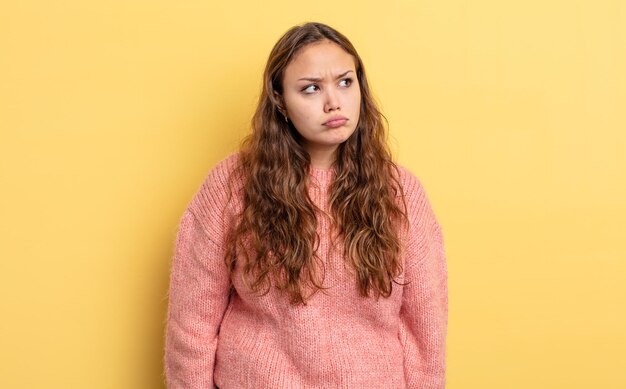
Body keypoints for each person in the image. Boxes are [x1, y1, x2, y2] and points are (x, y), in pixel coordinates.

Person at [164, 22, 448, 389]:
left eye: (345, 82)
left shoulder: (401, 192)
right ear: (279, 100)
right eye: (311, 88)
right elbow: (192, 323)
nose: (334, 102)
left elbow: (424, 329)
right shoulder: (232, 186)